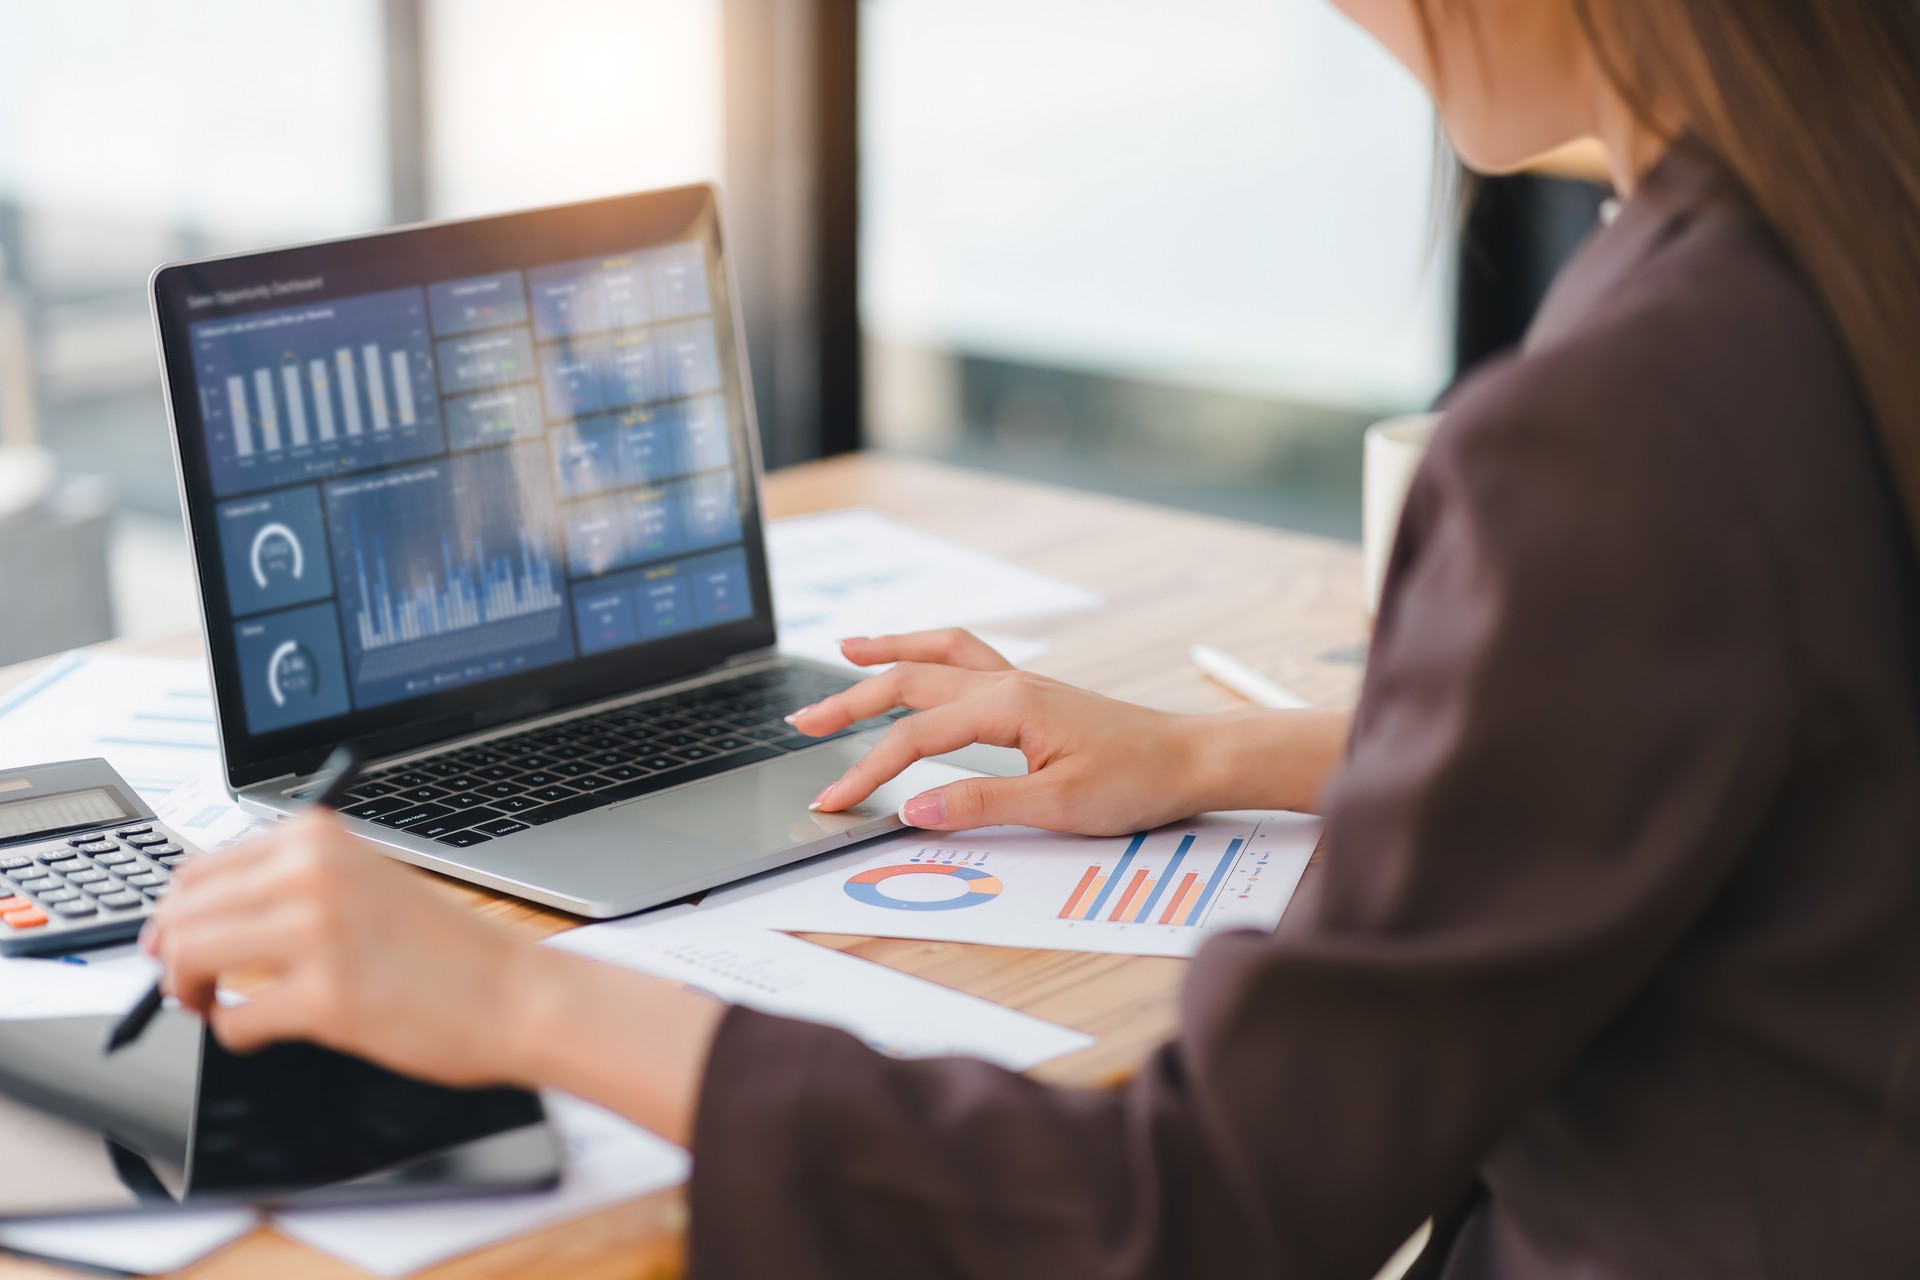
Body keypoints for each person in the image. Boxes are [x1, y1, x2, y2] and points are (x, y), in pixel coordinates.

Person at [146, 0, 1920, 1274]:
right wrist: (1218, 752)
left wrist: (516, 993)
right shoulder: (1844, 253)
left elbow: (1200, 1208)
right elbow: (1736, 722)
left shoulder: (1622, 427)